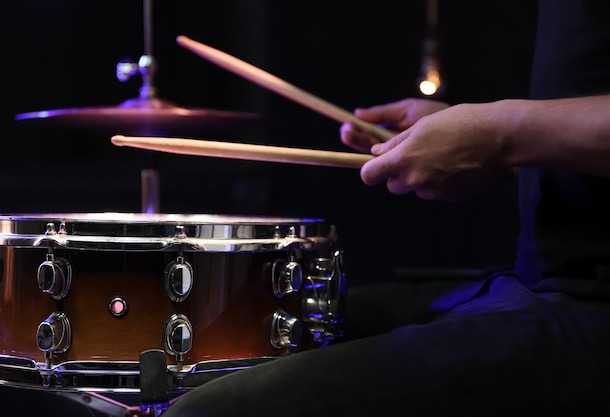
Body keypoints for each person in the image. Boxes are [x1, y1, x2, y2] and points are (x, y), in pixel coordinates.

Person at [162, 0, 610, 415]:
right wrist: (488, 157)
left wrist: (497, 134)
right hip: (535, 282)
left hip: (592, 309)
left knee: (211, 408)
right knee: (230, 346)